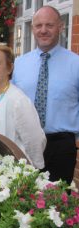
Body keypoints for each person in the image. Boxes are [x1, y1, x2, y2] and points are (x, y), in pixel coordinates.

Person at [12, 6, 79, 184]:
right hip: (24, 142)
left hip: (60, 146)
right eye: (38, 25)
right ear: (32, 29)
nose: (43, 30)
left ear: (61, 26)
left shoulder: (76, 64)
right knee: (21, 198)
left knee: (57, 201)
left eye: (49, 25)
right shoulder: (19, 64)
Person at [0, 42, 45, 169]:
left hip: (9, 175)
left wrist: (32, 169)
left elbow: (35, 140)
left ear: (9, 68)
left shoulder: (18, 100)